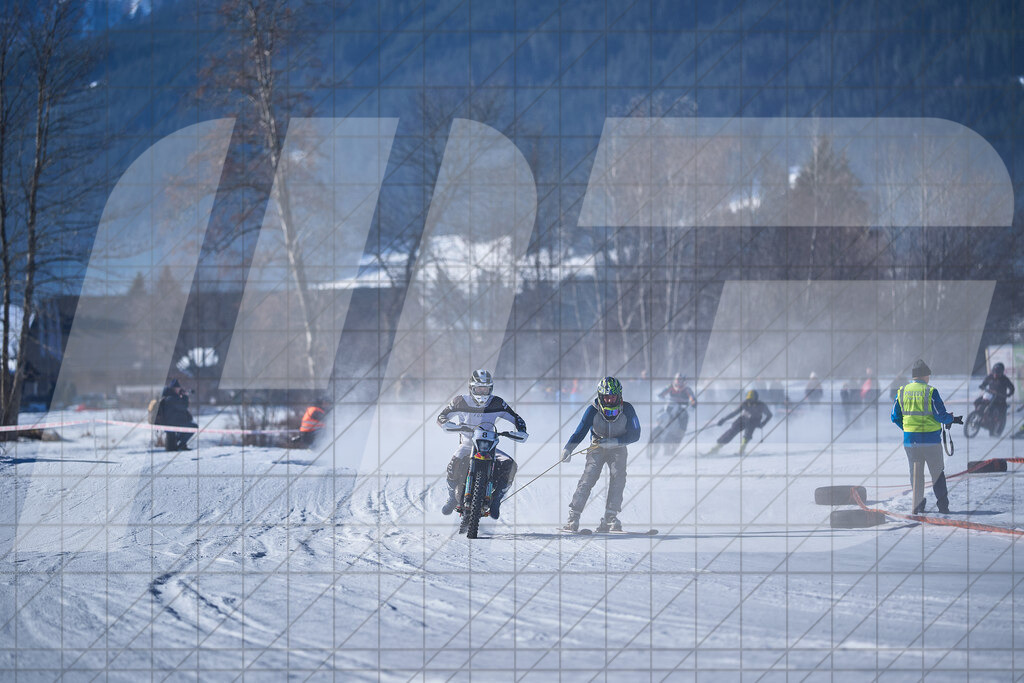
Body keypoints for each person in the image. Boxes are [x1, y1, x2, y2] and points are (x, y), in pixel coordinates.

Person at [437, 369, 527, 520]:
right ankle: (452, 497)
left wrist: (521, 430)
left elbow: (516, 417)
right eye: (479, 388)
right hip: (466, 444)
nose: (482, 391)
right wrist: (447, 424)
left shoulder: (497, 402)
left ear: (490, 388)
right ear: (471, 388)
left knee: (510, 465)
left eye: (486, 388)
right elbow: (442, 416)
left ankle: (496, 500)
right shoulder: (460, 401)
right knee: (452, 466)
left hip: (490, 445)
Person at [560, 377, 642, 532]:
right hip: (597, 446)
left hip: (619, 447)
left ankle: (610, 517)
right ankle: (574, 516)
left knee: (618, 476)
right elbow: (580, 432)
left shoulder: (628, 409)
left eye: (613, 396)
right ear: (600, 396)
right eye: (606, 397)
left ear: (619, 396)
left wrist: (616, 441)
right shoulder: (592, 410)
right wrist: (568, 449)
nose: (610, 400)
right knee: (589, 476)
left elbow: (636, 434)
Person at [891, 359, 962, 514]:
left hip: (911, 442)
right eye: (928, 375)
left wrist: (909, 429)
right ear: (924, 376)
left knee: (916, 475)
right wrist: (952, 419)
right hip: (931, 442)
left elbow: (894, 417)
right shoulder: (930, 392)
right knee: (937, 474)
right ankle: (943, 507)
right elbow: (941, 416)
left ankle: (917, 506)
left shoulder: (902, 391)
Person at [707, 389, 772, 455]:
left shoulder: (761, 405)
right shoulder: (745, 403)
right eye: (748, 399)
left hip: (753, 421)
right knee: (731, 432)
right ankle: (715, 449)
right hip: (743, 419)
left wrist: (763, 423)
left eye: (751, 399)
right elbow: (734, 413)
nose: (749, 401)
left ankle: (741, 450)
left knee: (747, 434)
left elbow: (769, 415)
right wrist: (723, 420)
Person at [155, 379, 197, 451]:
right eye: (178, 388)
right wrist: (185, 396)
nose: (179, 390)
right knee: (194, 426)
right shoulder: (172, 398)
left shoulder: (168, 397)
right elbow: (184, 406)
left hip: (170, 422)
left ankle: (178, 443)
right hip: (172, 423)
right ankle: (181, 444)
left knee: (187, 426)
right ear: (174, 388)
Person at [978, 362, 1014, 436]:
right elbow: (984, 383)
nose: (995, 374)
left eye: (998, 373)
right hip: (990, 396)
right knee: (978, 401)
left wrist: (1009, 394)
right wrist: (982, 386)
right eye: (994, 372)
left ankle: (997, 428)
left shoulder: (1005, 379)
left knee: (1001, 413)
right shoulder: (990, 377)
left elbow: (1012, 388)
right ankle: (977, 416)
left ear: (1001, 373)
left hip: (1000, 399)